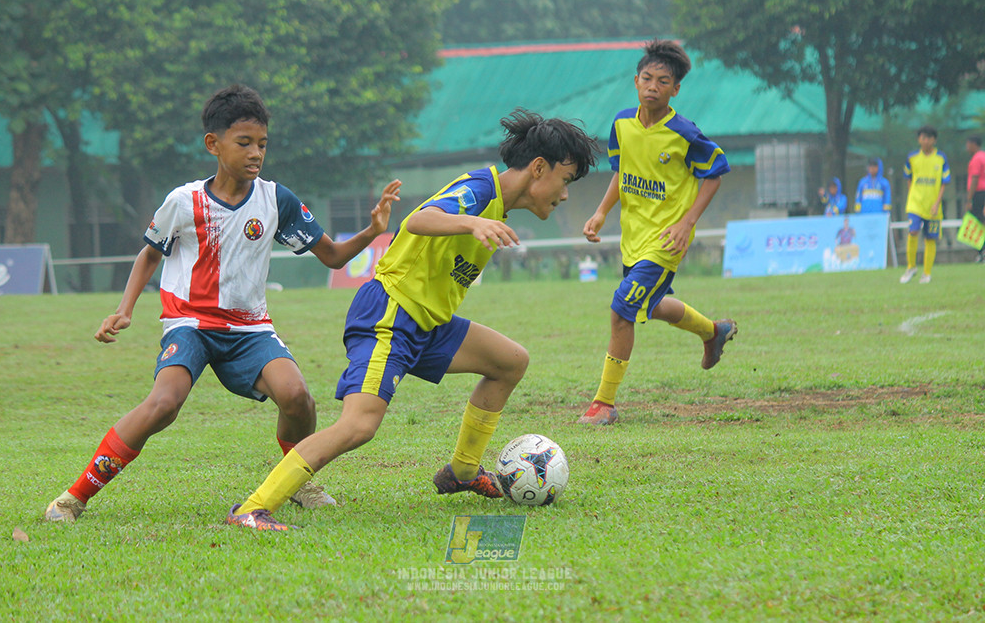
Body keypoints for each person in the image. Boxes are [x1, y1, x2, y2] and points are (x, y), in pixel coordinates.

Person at [224, 108, 600, 531]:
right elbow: (418, 220)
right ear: (537, 168)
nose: (566, 194)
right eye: (566, 181)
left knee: (510, 361)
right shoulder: (480, 190)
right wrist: (472, 222)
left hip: (427, 325)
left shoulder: (496, 204)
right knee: (359, 425)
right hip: (391, 313)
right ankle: (251, 509)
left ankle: (462, 472)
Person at [44, 84, 401, 522]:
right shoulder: (184, 201)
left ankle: (298, 481)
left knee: (299, 398)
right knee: (164, 404)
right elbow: (150, 253)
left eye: (263, 144)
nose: (256, 153)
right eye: (245, 142)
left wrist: (371, 231)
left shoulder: (276, 200)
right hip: (189, 324)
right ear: (213, 144)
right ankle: (74, 496)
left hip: (250, 330)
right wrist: (125, 309)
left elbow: (331, 255)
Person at [578, 39, 736, 427]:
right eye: (647, 78)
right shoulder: (621, 124)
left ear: (675, 89)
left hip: (666, 242)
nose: (653, 86)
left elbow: (715, 172)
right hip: (633, 237)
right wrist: (600, 212)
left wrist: (687, 223)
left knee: (622, 310)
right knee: (654, 304)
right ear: (635, 81)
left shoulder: (684, 132)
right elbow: (622, 171)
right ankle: (714, 331)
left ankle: (604, 403)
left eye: (662, 81)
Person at [900, 125, 950, 284]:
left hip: (933, 207)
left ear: (934, 140)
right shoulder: (912, 157)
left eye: (929, 137)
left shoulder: (941, 158)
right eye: (922, 137)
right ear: (918, 139)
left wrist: (937, 203)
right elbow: (908, 177)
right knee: (913, 231)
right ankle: (911, 267)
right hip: (915, 204)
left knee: (930, 239)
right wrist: (912, 195)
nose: (925, 140)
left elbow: (944, 183)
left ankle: (926, 273)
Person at [964, 135, 985, 262]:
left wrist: (969, 199)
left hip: (979, 193)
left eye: (968, 144)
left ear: (973, 144)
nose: (967, 147)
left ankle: (981, 251)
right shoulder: (983, 155)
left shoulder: (977, 159)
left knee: (977, 222)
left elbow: (975, 178)